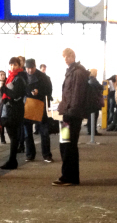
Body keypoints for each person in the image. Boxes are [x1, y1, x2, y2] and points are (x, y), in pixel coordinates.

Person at [53, 48, 89, 186]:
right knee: (65, 144)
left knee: (69, 145)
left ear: (73, 56)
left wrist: (71, 110)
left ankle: (70, 177)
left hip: (72, 114)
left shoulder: (78, 72)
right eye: (63, 57)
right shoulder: (72, 71)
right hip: (68, 114)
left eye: (67, 56)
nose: (65, 59)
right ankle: (67, 175)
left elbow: (77, 95)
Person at [23, 58, 54, 163]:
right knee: (27, 132)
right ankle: (30, 155)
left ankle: (46, 155)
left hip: (39, 105)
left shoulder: (42, 76)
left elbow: (49, 89)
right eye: (28, 68)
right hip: (26, 105)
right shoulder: (23, 75)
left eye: (31, 68)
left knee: (44, 132)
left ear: (35, 67)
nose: (30, 70)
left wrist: (39, 92)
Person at [0, 57, 26, 170]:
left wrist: (3, 89)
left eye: (15, 65)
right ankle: (12, 160)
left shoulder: (19, 78)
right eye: (11, 65)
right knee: (13, 136)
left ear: (19, 66)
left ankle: (12, 160)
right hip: (9, 109)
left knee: (13, 136)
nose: (12, 67)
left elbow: (15, 94)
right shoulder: (11, 77)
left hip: (15, 110)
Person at [86, 69, 103, 136]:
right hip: (94, 101)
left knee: (90, 117)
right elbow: (100, 87)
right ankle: (93, 131)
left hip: (89, 101)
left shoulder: (88, 80)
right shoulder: (94, 80)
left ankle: (90, 130)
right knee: (94, 116)